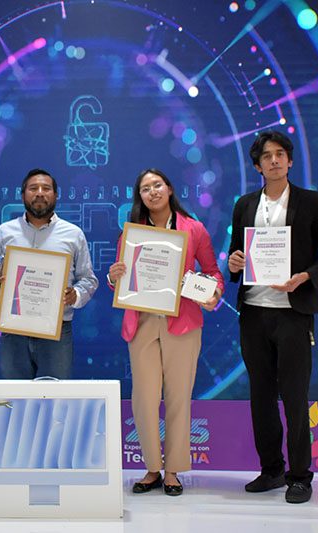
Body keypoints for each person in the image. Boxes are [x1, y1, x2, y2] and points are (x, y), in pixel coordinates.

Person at [227, 131, 318, 504]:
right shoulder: (245, 204)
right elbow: (235, 256)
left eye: (280, 154)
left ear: (290, 161)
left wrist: (306, 276)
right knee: (260, 397)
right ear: (257, 165)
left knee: (294, 397)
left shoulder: (310, 202)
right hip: (253, 313)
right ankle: (272, 470)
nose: (274, 160)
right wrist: (234, 263)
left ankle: (300, 477)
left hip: (294, 314)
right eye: (266, 156)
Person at [108, 168, 224, 496]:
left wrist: (212, 293)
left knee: (178, 397)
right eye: (145, 188)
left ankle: (172, 471)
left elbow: (213, 272)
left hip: (183, 322)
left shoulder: (194, 229)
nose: (153, 192)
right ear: (140, 197)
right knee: (144, 400)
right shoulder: (131, 234)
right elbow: (120, 279)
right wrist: (113, 277)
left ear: (169, 189)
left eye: (157, 185)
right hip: (142, 322)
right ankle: (151, 468)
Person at [0, 168, 98, 379]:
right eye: (33, 188)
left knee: (54, 396)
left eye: (46, 188)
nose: (40, 193)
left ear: (56, 195)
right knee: (16, 396)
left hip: (57, 331)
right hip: (13, 330)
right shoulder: (5, 232)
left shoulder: (73, 234)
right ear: (23, 195)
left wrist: (75, 295)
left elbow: (88, 279)